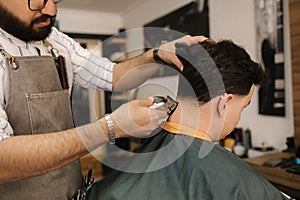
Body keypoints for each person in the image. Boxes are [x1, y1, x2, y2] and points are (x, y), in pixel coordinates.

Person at [0, 0, 207, 199]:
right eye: (38, 0)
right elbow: (3, 162)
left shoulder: (54, 40)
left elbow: (113, 75)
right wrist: (110, 127)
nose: (51, 10)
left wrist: (156, 55)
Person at [82, 40, 290, 200]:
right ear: (224, 103)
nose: (238, 117)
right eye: (242, 107)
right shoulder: (246, 186)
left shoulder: (126, 174)